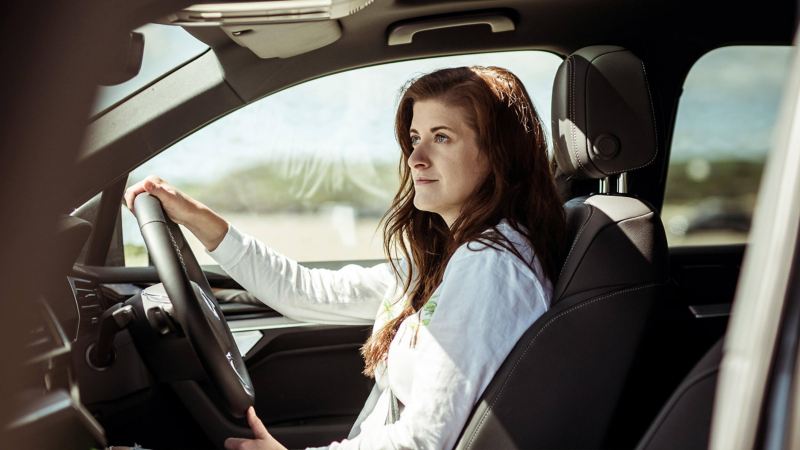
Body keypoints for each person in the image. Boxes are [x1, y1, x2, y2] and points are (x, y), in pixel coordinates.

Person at [124, 66, 566, 450]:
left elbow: (423, 442)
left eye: (441, 137)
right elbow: (303, 291)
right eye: (414, 138)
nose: (415, 158)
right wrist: (196, 218)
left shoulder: (489, 266)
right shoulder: (441, 262)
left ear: (498, 154)